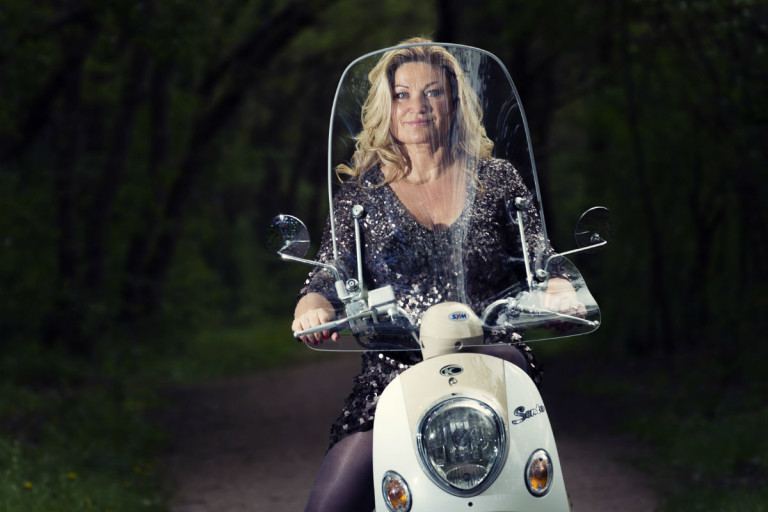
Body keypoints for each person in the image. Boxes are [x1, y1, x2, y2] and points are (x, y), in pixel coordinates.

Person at [292, 38, 581, 512]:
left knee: (532, 491)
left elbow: (542, 259)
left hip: (491, 360)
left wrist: (561, 290)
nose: (418, 106)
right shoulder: (359, 197)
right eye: (402, 94)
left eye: (433, 92)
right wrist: (313, 307)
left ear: (454, 101)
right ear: (387, 107)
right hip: (396, 371)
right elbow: (326, 277)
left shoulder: (498, 179)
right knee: (329, 504)